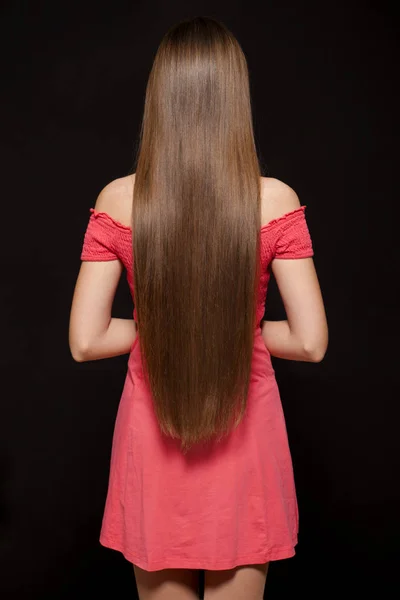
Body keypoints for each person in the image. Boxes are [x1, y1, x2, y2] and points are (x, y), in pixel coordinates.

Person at [69, 15, 328, 600]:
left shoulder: (118, 198)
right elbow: (310, 342)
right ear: (235, 98)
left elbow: (86, 341)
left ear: (159, 97)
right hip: (246, 437)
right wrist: (238, 331)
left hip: (152, 440)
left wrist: (166, 327)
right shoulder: (273, 200)